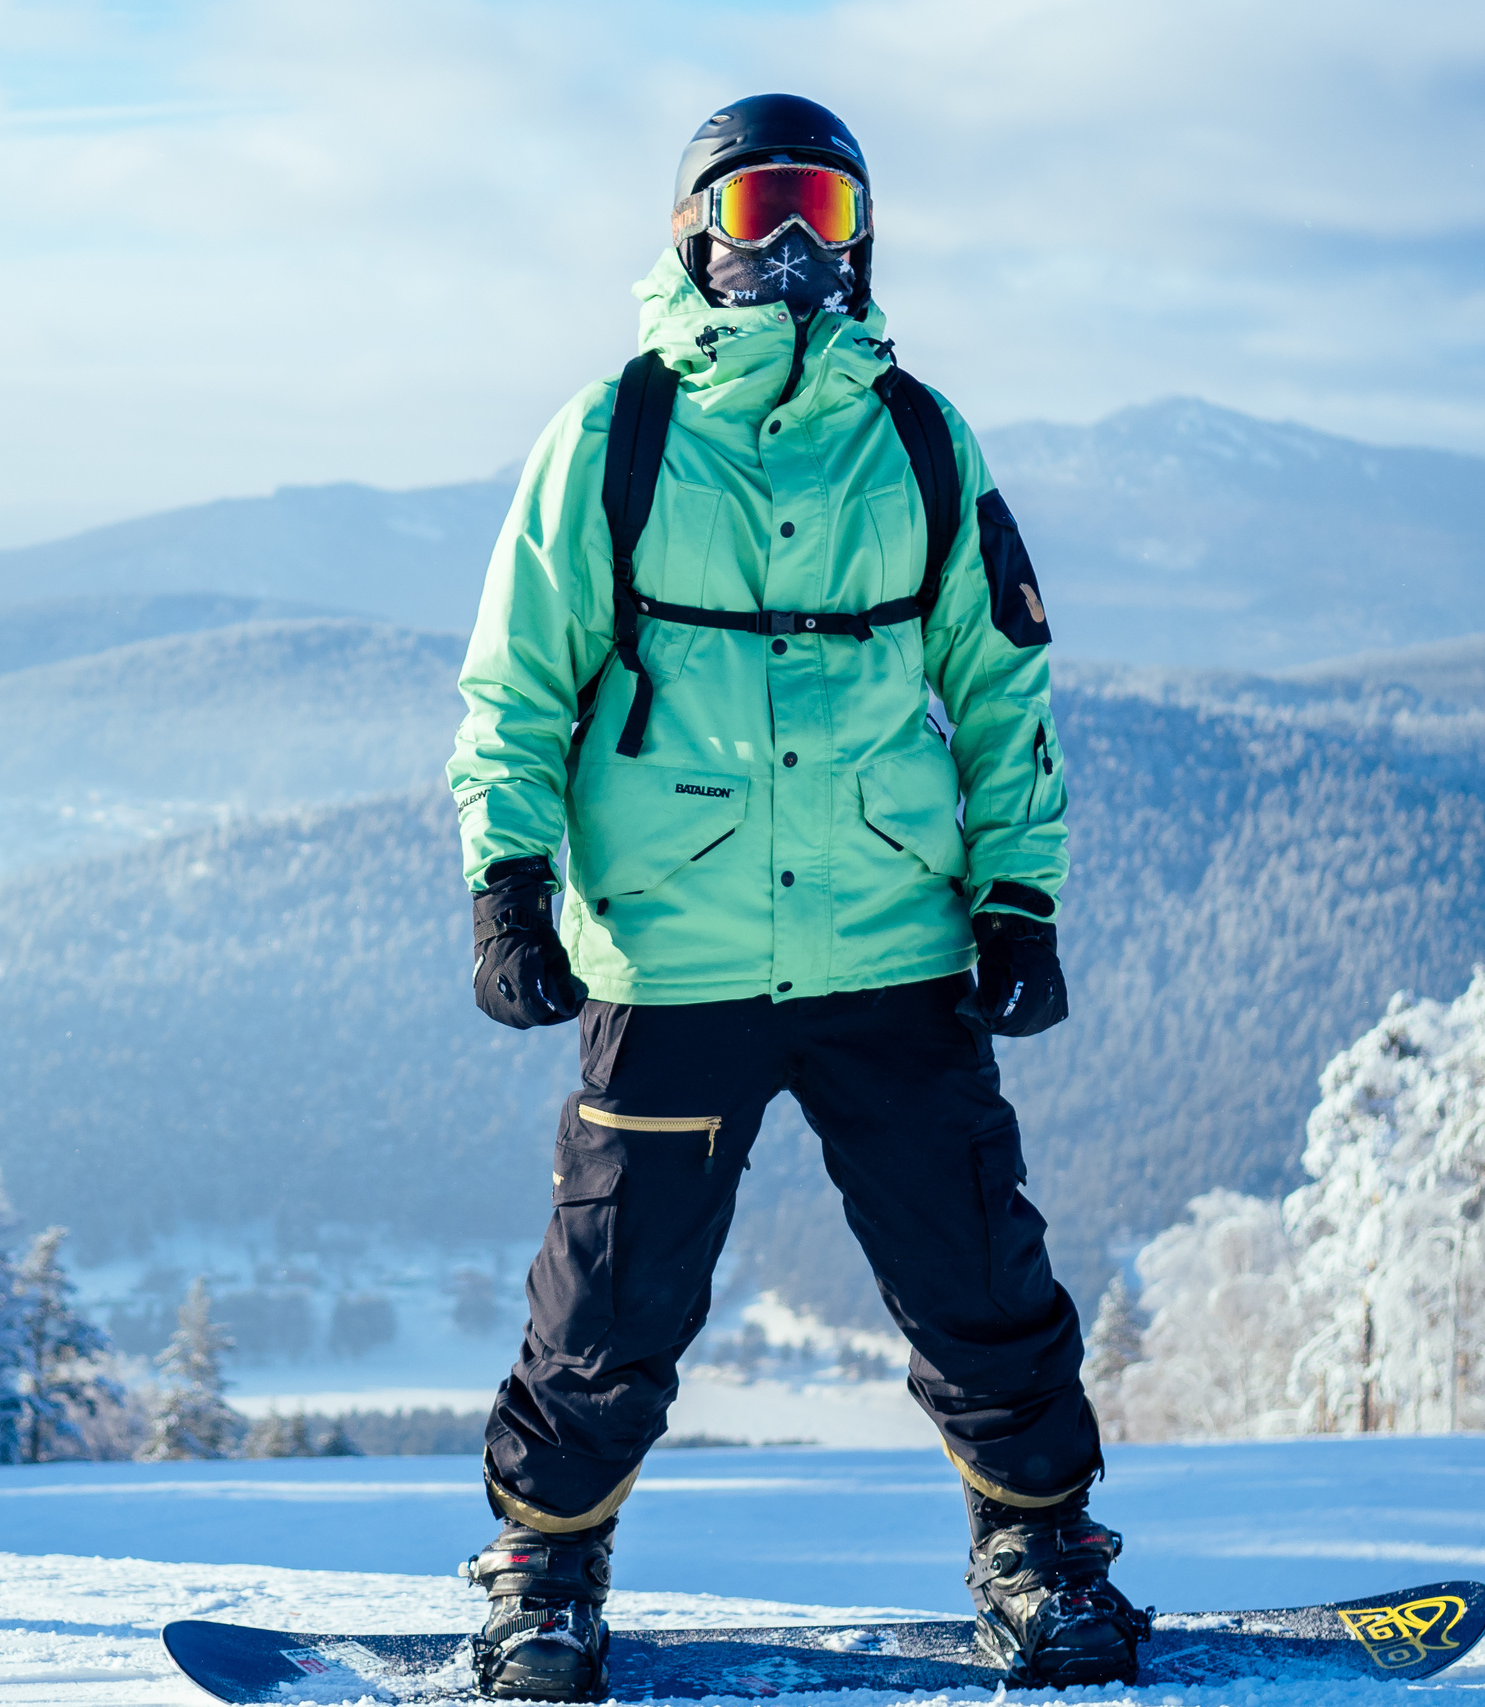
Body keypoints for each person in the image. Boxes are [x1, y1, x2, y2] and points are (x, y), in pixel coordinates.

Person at [445, 94, 1140, 1700]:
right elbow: (516, 686)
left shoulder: (921, 438)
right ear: (694, 236)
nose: (791, 250)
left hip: (890, 938)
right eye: (757, 210)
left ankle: (1039, 1556)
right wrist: (506, 881)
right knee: (610, 1293)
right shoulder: (614, 437)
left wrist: (1020, 897)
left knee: (976, 1270)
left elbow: (1002, 686)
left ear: (866, 237)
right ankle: (544, 1575)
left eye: (822, 212)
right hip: (672, 949)